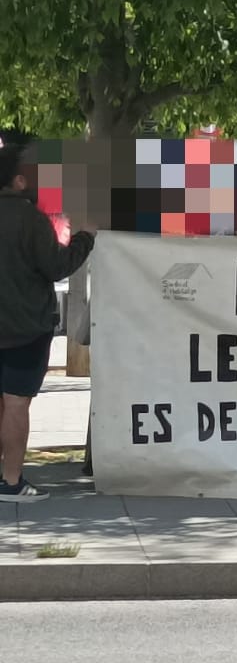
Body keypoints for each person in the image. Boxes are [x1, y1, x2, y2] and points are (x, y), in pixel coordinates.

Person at [0, 139, 95, 502]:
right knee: (17, 403)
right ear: (18, 181)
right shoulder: (30, 219)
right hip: (25, 328)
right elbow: (58, 265)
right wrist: (85, 236)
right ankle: (12, 482)